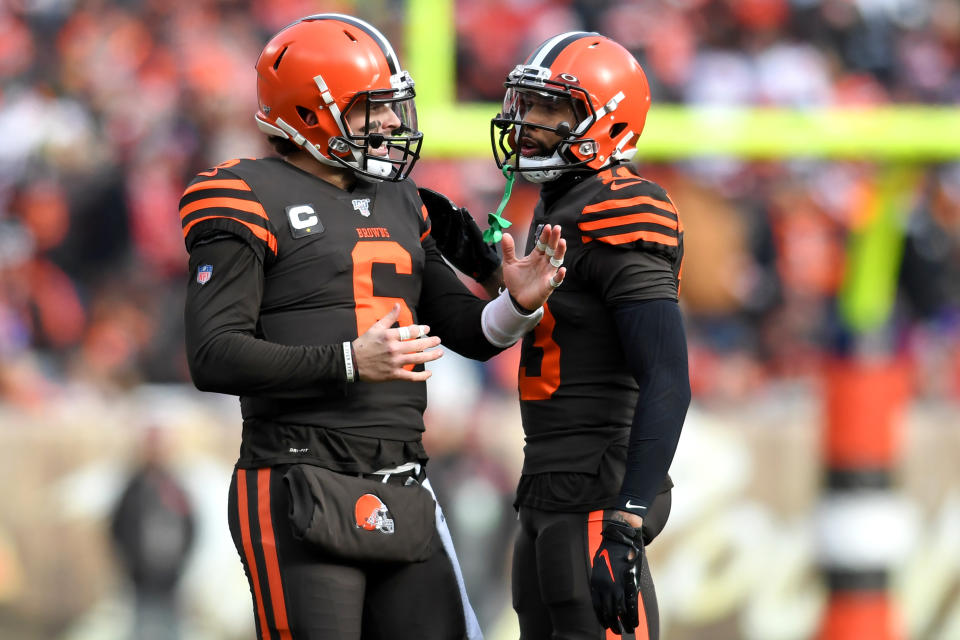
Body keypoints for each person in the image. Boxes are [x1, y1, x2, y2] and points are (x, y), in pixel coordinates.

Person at [178, 14, 566, 640]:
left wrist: (516, 305)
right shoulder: (244, 194)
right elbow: (213, 355)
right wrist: (349, 361)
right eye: (368, 110)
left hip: (403, 481)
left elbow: (468, 330)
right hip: (296, 477)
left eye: (391, 108)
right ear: (308, 115)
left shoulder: (401, 199)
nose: (389, 125)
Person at [422, 32, 690, 639]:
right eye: (528, 105)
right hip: (545, 490)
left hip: (597, 494)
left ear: (607, 121)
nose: (527, 124)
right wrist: (483, 262)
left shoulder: (624, 208)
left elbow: (667, 376)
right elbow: (572, 316)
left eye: (551, 109)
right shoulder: (561, 204)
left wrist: (630, 517)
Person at [110, 426, 196, 640]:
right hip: (141, 577)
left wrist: (181, 560)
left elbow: (191, 526)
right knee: (142, 626)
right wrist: (130, 562)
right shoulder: (134, 487)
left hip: (171, 576)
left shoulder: (176, 487)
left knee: (171, 628)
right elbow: (117, 527)